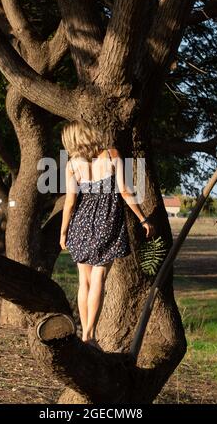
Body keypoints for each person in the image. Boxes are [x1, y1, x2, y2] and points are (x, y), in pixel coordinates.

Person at [60, 120, 154, 350]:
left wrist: (63, 232)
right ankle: (89, 335)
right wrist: (143, 218)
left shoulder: (72, 164)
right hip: (107, 224)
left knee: (84, 281)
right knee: (99, 280)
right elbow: (124, 190)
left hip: (80, 224)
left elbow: (70, 203)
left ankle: (85, 332)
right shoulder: (111, 155)